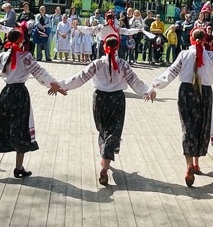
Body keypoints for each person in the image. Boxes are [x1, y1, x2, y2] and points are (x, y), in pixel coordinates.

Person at [146, 27, 213, 187]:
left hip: (186, 92)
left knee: (188, 127)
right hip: (205, 93)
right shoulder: (210, 56)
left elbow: (171, 72)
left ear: (190, 38)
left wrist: (153, 86)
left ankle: (189, 163)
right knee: (202, 126)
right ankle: (196, 163)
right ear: (205, 40)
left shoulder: (184, 54)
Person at [0, 29, 63, 181]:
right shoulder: (26, 57)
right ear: (20, 40)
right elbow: (40, 72)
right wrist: (54, 84)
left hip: (5, 94)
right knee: (21, 128)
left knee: (2, 127)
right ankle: (17, 167)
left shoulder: (3, 55)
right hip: (19, 94)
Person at [57, 34, 151, 186]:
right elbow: (135, 81)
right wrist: (147, 91)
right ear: (118, 47)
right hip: (117, 99)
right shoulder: (123, 64)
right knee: (113, 131)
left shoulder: (97, 63)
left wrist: (61, 85)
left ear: (103, 47)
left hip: (100, 99)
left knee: (103, 130)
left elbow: (80, 77)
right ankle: (105, 167)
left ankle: (105, 163)